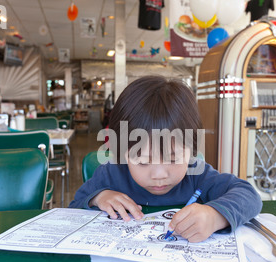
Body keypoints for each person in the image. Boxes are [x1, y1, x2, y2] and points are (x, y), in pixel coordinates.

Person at [69, 76, 262, 242]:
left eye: (174, 158)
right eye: (143, 160)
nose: (159, 174)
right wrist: (98, 198)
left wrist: (215, 216)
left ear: (191, 149)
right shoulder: (112, 174)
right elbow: (74, 206)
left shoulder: (197, 175)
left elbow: (249, 195)